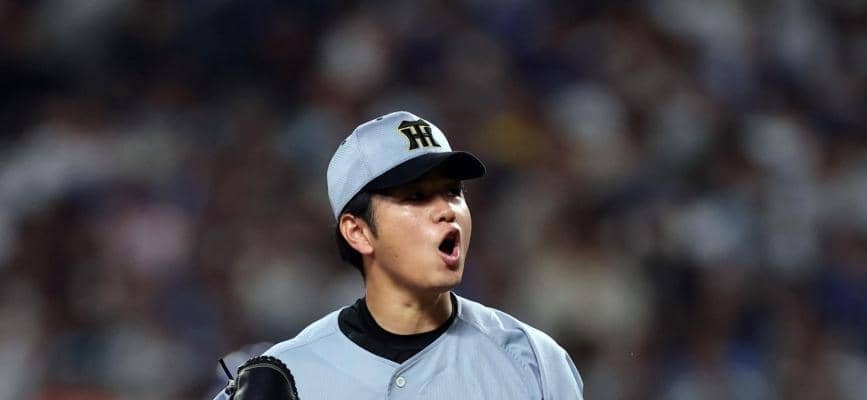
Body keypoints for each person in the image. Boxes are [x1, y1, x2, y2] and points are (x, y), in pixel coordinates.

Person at [213, 111, 584, 399]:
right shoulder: (288, 375)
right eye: (416, 197)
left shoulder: (532, 360)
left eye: (453, 191)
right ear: (358, 231)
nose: (447, 210)